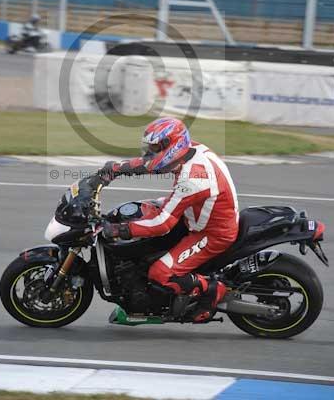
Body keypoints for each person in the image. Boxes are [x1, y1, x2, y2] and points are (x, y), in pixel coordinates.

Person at [93, 116, 239, 322]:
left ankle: (212, 290)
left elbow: (163, 223)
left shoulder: (193, 178)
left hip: (213, 233)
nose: (149, 153)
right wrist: (117, 168)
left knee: (160, 272)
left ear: (171, 145)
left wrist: (121, 230)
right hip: (195, 214)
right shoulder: (192, 150)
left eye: (154, 148)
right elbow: (153, 165)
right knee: (137, 211)